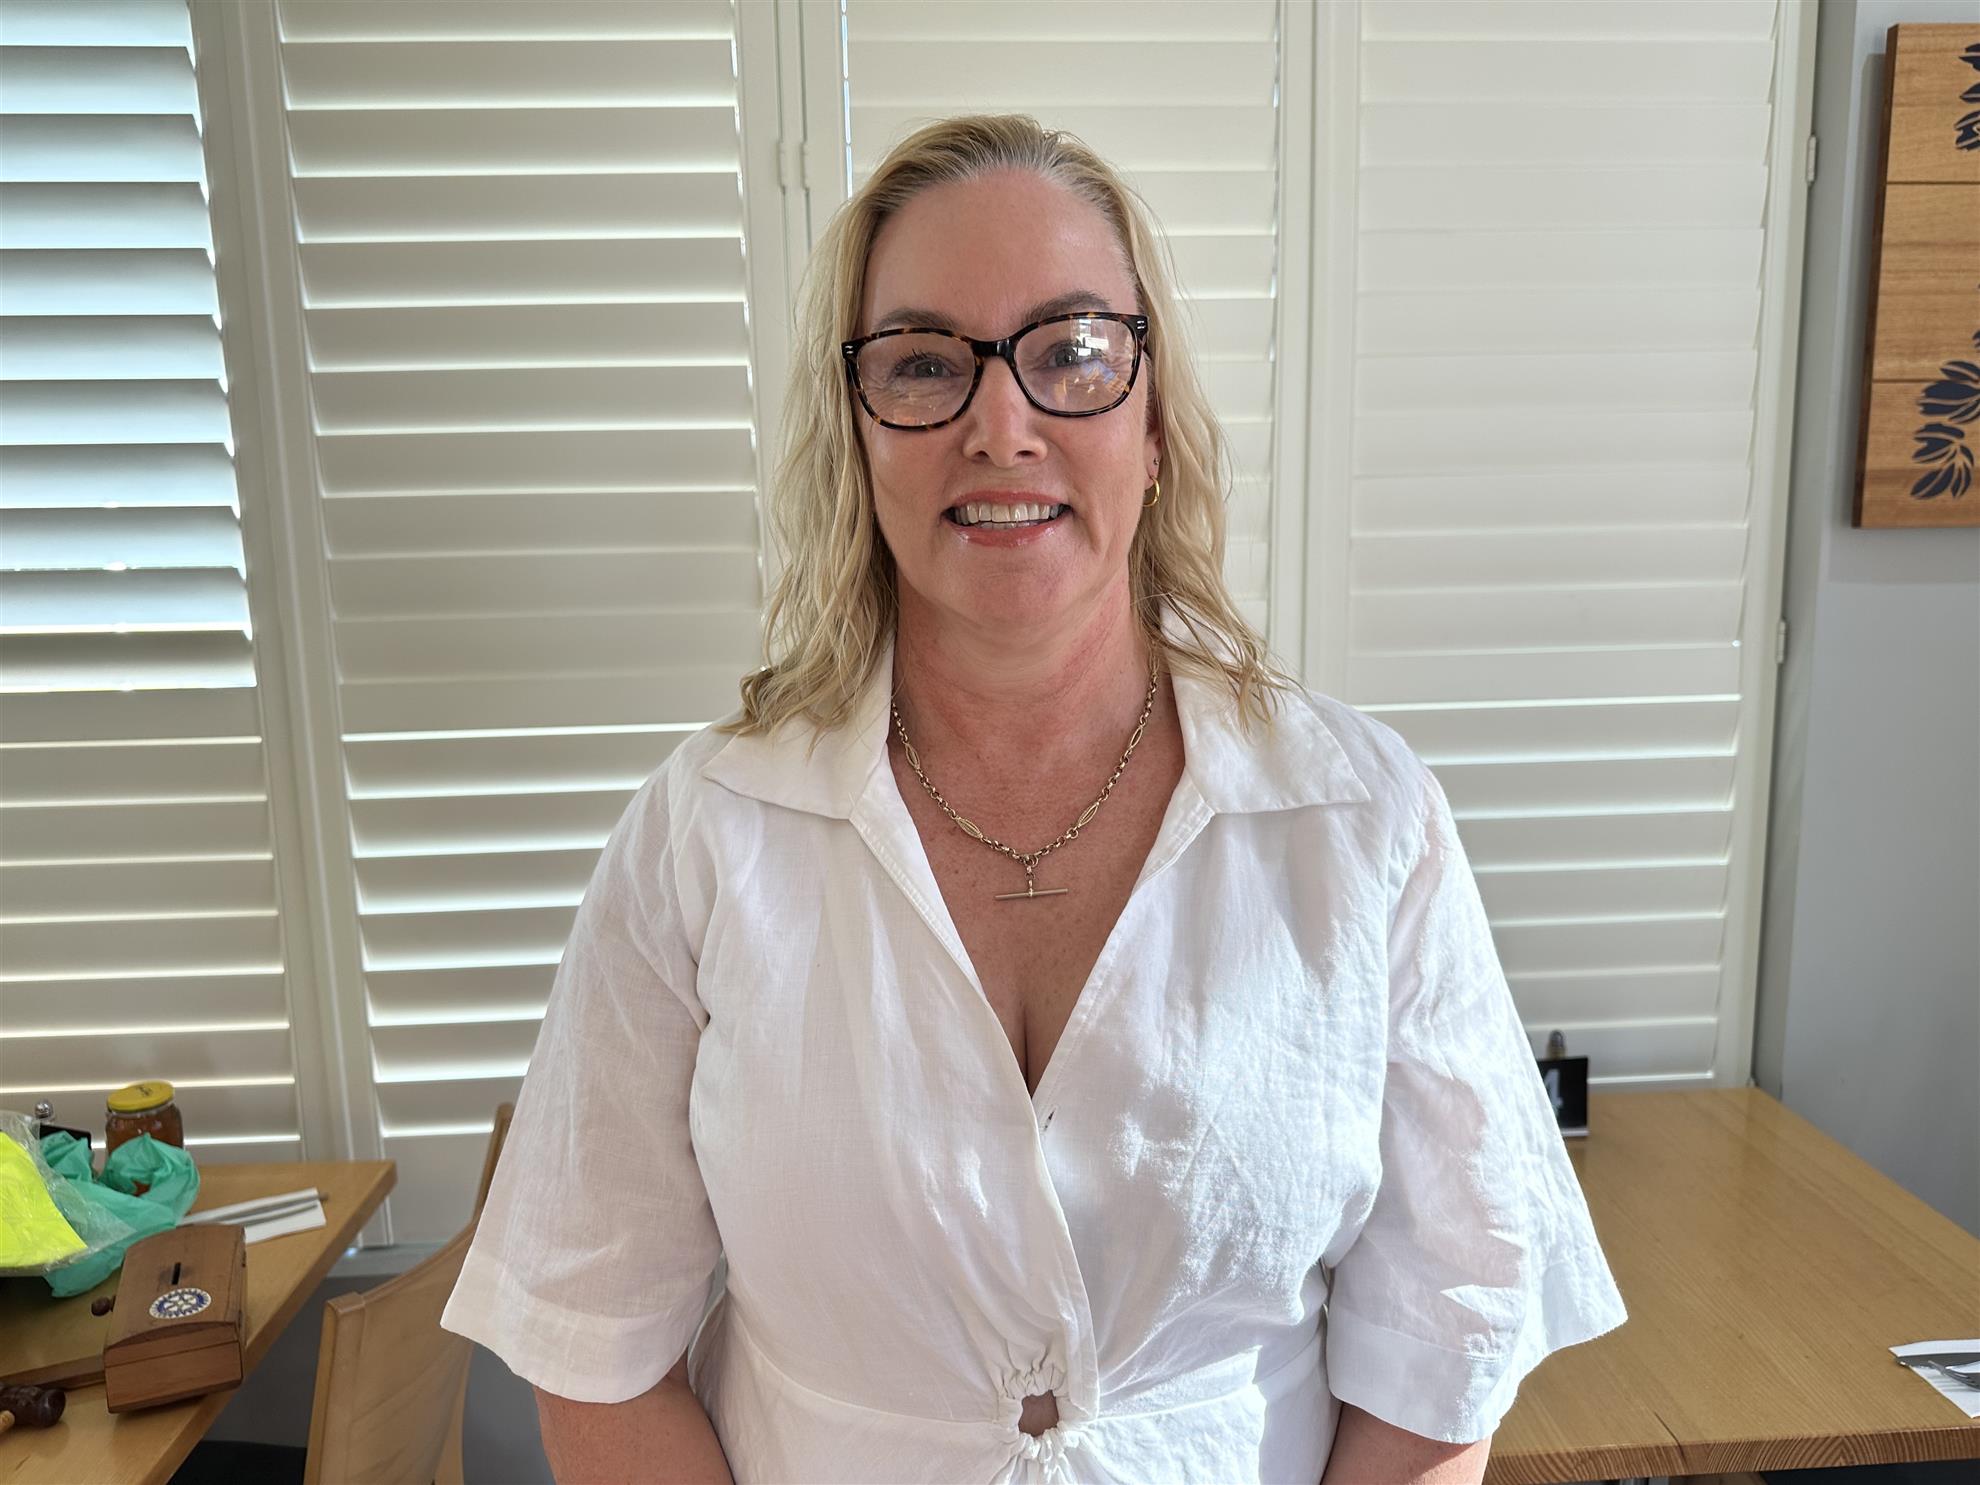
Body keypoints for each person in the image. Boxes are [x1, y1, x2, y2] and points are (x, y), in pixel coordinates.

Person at [440, 113, 1628, 1485]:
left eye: (1071, 352)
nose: (1001, 427)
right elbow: (594, 1348)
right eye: (924, 363)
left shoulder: (1362, 822)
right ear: (857, 431)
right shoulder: (702, 833)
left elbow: (1444, 1350)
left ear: (1154, 422)